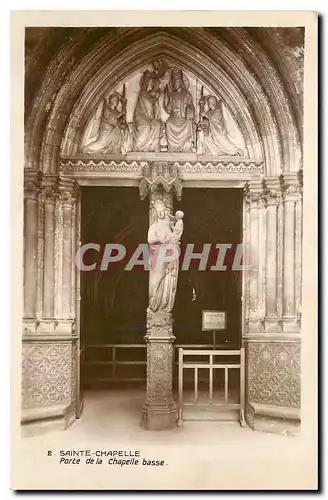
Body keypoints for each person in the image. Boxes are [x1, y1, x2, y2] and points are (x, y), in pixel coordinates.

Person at [147, 201, 183, 313]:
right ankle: (154, 305)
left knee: (167, 281)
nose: (161, 214)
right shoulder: (153, 227)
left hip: (167, 256)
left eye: (162, 211)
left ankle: (164, 305)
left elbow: (175, 237)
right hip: (157, 257)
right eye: (159, 212)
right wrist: (160, 240)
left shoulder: (168, 225)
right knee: (155, 281)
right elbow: (150, 240)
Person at [163, 69, 195, 152]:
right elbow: (168, 109)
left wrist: (189, 110)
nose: (174, 84)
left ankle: (186, 147)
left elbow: (191, 107)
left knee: (188, 123)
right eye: (174, 82)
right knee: (168, 123)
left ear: (180, 82)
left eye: (176, 82)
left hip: (183, 117)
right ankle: (172, 148)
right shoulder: (172, 95)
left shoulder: (186, 94)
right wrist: (166, 96)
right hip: (174, 117)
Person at [133, 70, 162, 152]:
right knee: (146, 127)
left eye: (147, 83)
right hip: (141, 116)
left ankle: (153, 146)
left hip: (149, 117)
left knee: (157, 124)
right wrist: (156, 89)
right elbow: (152, 100)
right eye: (145, 83)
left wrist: (156, 89)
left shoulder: (149, 93)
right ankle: (139, 146)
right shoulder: (142, 93)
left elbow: (154, 103)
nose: (145, 85)